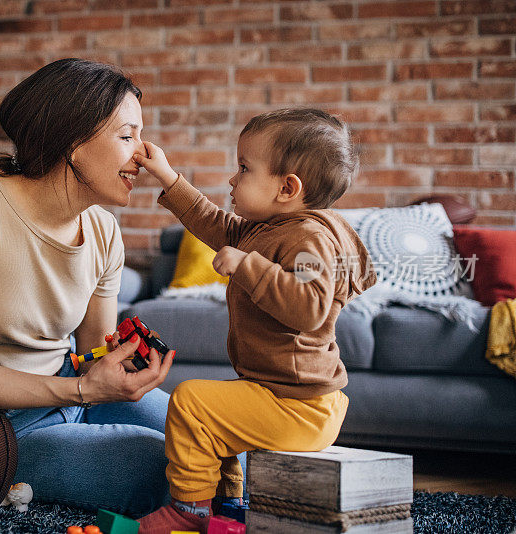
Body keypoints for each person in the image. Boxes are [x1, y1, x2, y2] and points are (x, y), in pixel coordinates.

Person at [0, 58, 175, 517]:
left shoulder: (103, 230)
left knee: (213, 443)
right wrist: (82, 392)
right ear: (73, 141)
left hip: (75, 392)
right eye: (127, 135)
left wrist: (121, 366)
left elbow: (93, 349)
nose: (144, 154)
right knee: (164, 470)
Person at [133, 108, 378, 533]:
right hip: (280, 394)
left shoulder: (310, 238)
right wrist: (169, 179)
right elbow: (212, 222)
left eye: (244, 168)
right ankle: (229, 505)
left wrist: (249, 266)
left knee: (192, 402)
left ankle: (188, 511)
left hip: (301, 405)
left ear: (287, 187)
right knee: (215, 420)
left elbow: (310, 306)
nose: (232, 179)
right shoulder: (267, 227)